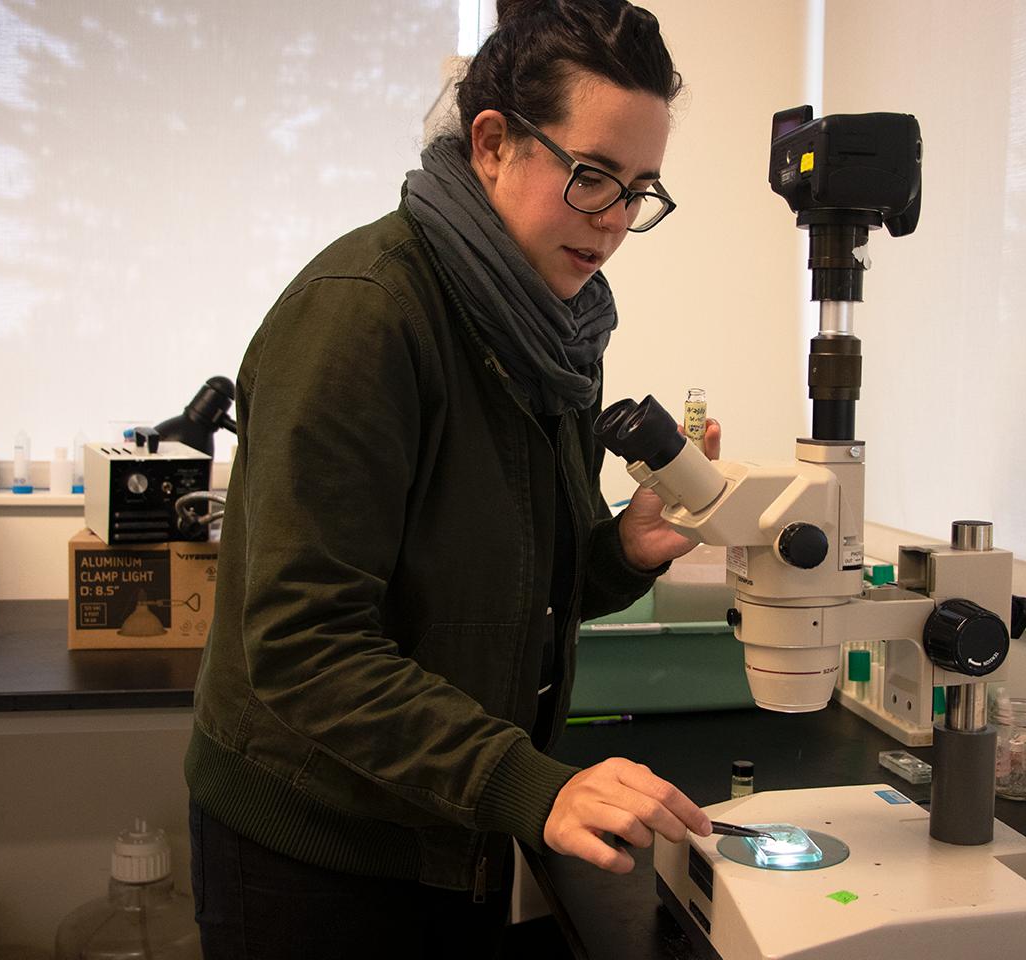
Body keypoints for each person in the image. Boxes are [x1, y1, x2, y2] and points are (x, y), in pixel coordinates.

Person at [184, 1, 719, 956]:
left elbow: (499, 585)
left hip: (446, 819)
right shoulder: (364, 318)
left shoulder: (555, 323)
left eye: (640, 190)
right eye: (592, 177)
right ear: (491, 144)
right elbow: (306, 646)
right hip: (316, 850)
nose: (615, 224)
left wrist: (618, 553)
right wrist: (533, 786)